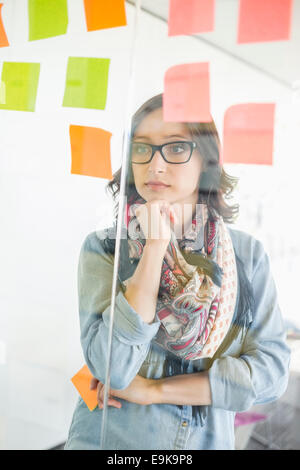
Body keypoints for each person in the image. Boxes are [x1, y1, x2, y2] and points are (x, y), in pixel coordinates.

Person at [64, 93, 290, 450]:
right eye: (142, 149)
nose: (155, 165)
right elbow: (114, 370)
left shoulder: (245, 255)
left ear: (206, 159)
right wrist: (154, 247)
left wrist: (154, 391)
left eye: (176, 148)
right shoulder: (106, 248)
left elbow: (271, 374)